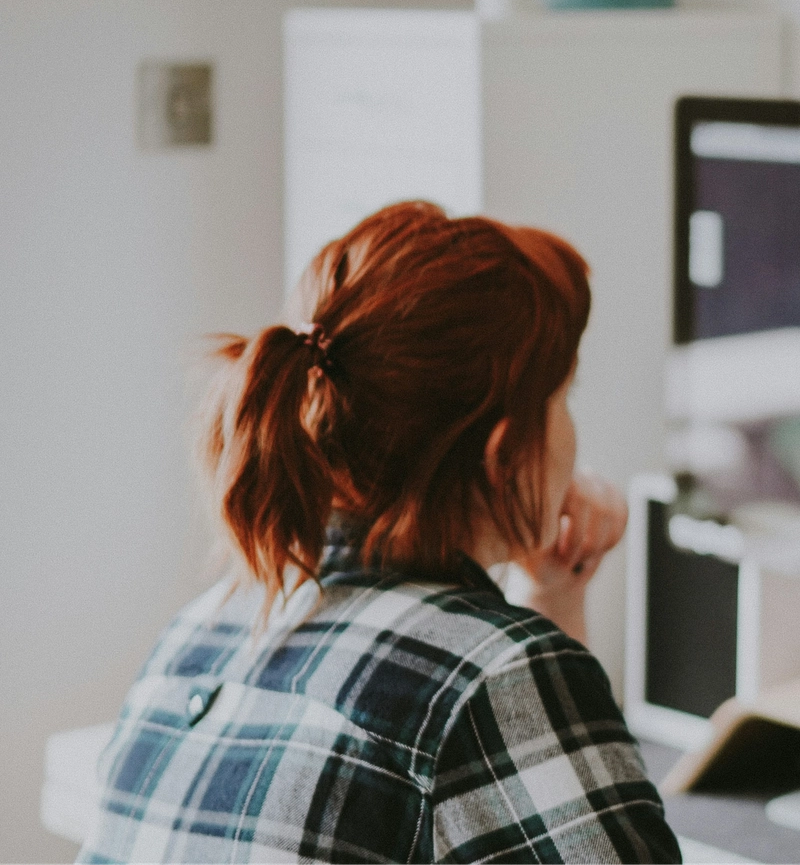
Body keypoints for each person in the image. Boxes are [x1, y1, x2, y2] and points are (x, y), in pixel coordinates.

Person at [78, 202, 681, 864]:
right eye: (564, 396)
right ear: (506, 454)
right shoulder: (491, 676)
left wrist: (551, 589)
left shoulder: (196, 634)